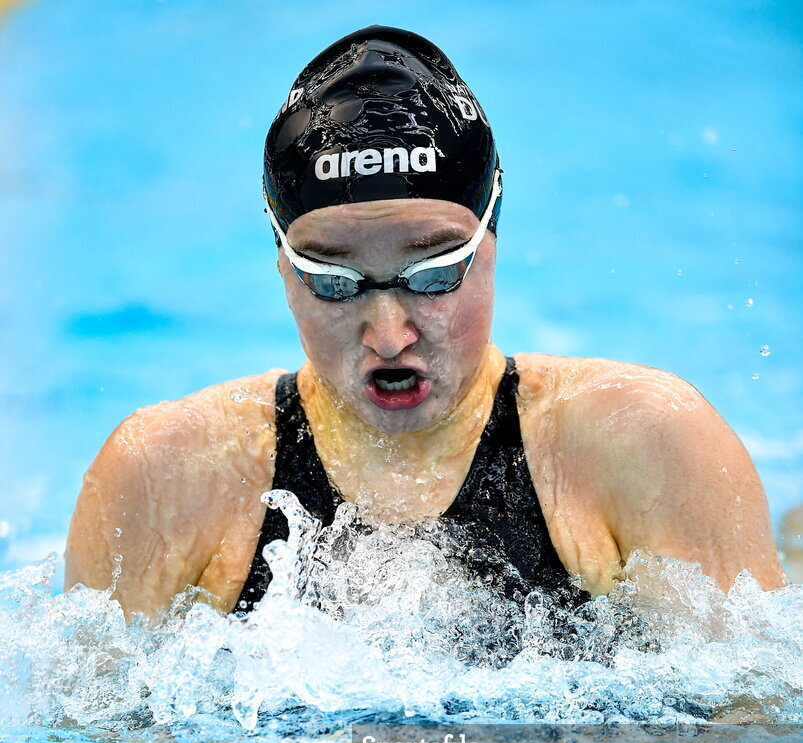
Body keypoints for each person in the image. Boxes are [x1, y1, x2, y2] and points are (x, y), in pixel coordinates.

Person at [64, 25, 786, 626]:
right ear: (281, 270)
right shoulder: (166, 474)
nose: (388, 334)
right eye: (332, 282)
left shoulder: (645, 443)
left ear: (493, 245)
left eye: (434, 274)